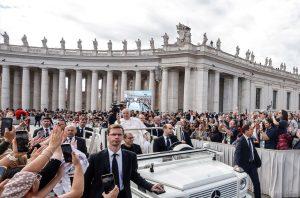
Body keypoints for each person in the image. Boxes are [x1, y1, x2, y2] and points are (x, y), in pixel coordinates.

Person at [83, 124, 164, 198]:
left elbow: (134, 175)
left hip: (124, 195)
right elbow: (86, 182)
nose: (116, 137)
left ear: (122, 137)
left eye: (119, 134)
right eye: (113, 134)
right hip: (102, 196)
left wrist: (150, 186)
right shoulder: (95, 158)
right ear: (108, 136)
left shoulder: (131, 156)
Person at [234, 121, 261, 198]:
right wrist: (236, 164)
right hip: (243, 166)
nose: (252, 131)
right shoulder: (241, 140)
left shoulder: (251, 139)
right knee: (241, 184)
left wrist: (258, 161)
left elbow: (253, 151)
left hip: (252, 165)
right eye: (251, 129)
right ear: (246, 131)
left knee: (256, 183)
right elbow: (237, 153)